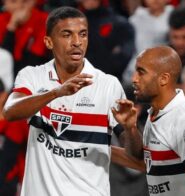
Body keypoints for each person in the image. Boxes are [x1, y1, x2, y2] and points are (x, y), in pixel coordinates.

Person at [2, 7, 126, 196]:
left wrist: (131, 129)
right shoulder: (32, 76)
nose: (77, 42)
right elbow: (10, 111)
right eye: (67, 35)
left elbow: (133, 152)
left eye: (83, 34)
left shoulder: (108, 85)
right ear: (48, 42)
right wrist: (55, 93)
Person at [112, 46, 185, 196]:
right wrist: (130, 129)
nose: (134, 79)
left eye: (141, 72)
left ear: (163, 79)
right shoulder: (156, 113)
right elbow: (144, 161)